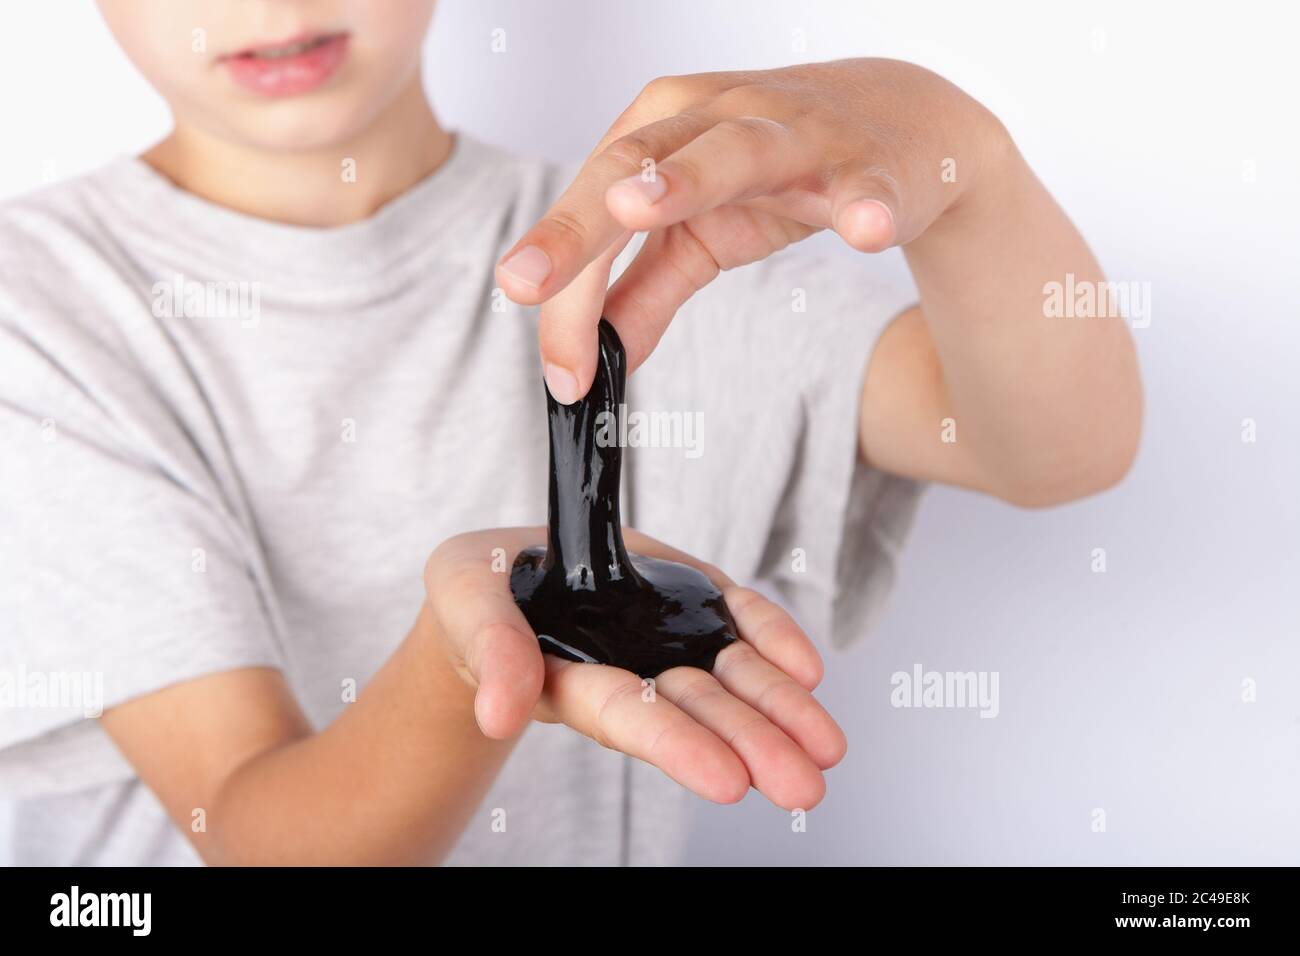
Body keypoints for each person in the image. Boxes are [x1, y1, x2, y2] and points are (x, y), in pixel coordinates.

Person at [0, 0, 1141, 865]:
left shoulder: (660, 237)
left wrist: (968, 168)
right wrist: (465, 661)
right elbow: (265, 835)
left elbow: (1053, 447)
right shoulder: (40, 308)